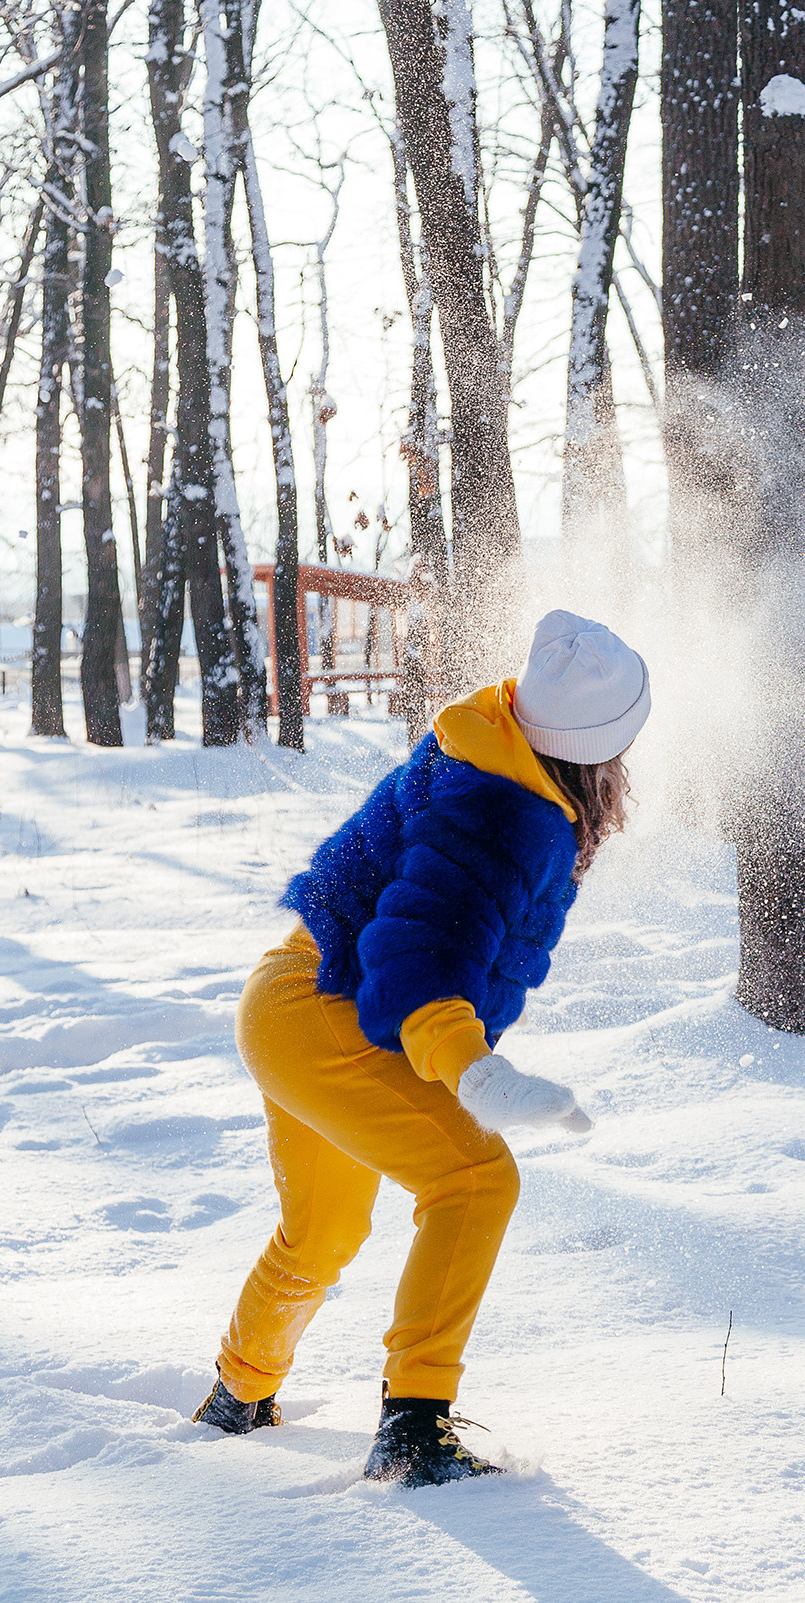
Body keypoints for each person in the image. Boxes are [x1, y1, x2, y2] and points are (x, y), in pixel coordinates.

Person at [189, 609, 651, 1485]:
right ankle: (413, 1428)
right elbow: (418, 953)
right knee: (476, 1180)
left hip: (289, 998)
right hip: (328, 1008)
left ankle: (237, 1393)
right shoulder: (504, 812)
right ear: (597, 751)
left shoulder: (494, 742)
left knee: (323, 1229)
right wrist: (475, 1071)